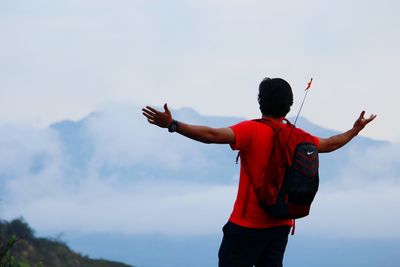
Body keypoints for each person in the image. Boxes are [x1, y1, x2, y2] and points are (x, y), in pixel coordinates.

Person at [142, 77, 376, 267]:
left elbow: (211, 136)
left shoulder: (251, 130)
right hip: (282, 224)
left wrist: (174, 125)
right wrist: (355, 130)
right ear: (289, 104)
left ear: (261, 103)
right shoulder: (301, 137)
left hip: (246, 226)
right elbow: (332, 143)